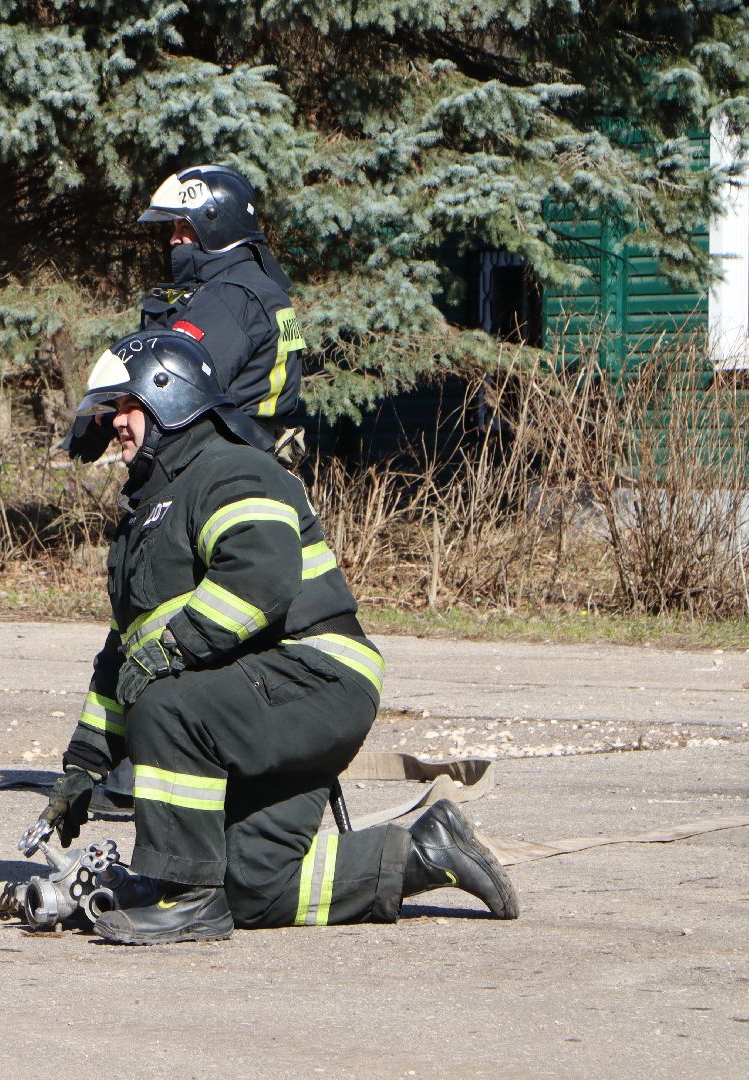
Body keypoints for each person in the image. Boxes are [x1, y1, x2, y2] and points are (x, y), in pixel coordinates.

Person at [40, 329, 519, 945]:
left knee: (166, 704)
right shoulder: (150, 513)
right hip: (258, 700)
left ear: (169, 396)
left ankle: (186, 898)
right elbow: (122, 656)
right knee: (250, 883)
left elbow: (260, 575)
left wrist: (172, 650)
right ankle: (428, 850)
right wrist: (83, 766)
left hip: (314, 677)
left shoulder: (230, 470)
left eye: (124, 407)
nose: (116, 427)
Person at [64, 164, 308, 467]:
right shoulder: (257, 285)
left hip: (221, 458)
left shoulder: (231, 296)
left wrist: (109, 405)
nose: (173, 240)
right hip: (248, 451)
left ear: (214, 224)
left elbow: (177, 382)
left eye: (183, 228)